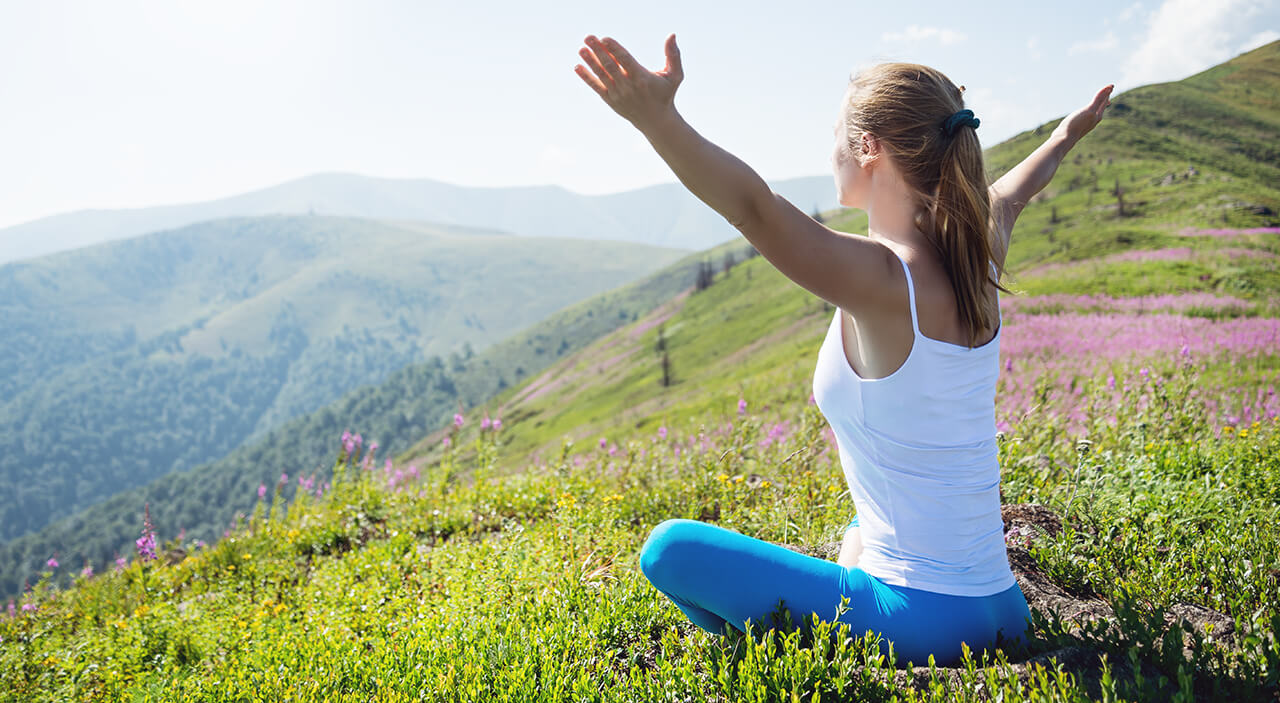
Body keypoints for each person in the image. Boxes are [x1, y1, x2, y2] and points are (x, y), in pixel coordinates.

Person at [574, 33, 1112, 667]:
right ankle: (829, 626)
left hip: (923, 620)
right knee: (857, 531)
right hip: (1001, 608)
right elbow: (1015, 190)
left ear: (869, 149)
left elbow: (755, 208)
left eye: (837, 134)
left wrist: (657, 119)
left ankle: (779, 657)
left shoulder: (887, 279)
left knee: (670, 550)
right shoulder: (977, 249)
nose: (829, 150)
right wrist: (1063, 138)